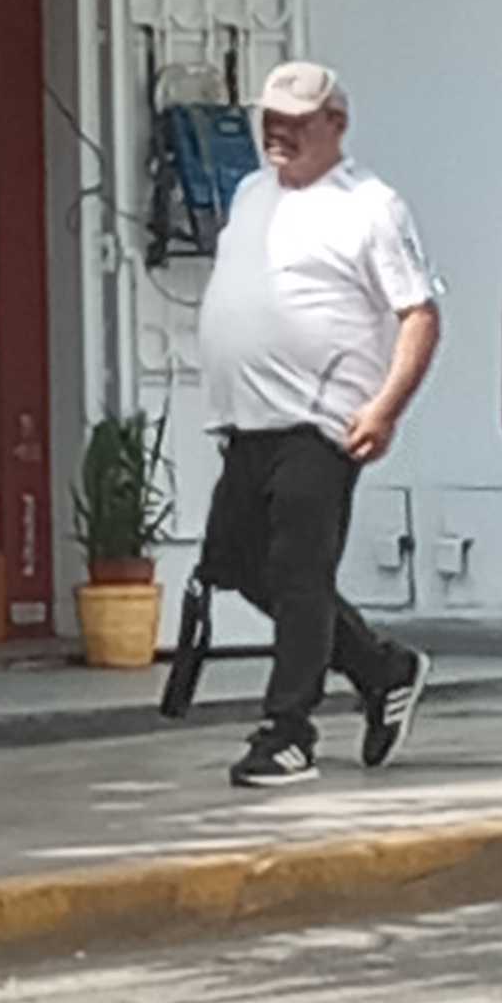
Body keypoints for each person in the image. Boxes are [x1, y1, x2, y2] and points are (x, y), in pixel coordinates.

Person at [196, 61, 441, 791]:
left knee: (300, 574)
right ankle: (379, 667)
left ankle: (288, 731)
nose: (279, 134)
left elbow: (419, 314)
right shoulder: (251, 193)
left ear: (336, 124)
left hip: (322, 422)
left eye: (297, 122)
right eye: (270, 119)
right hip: (247, 422)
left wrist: (385, 408)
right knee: (239, 565)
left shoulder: (370, 206)